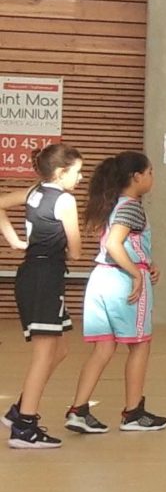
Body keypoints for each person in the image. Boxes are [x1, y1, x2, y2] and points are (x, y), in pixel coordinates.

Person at [68, 151, 166, 433]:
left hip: (100, 279)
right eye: (150, 172)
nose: (152, 177)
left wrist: (148, 262)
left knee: (103, 347)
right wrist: (136, 272)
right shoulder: (132, 206)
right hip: (122, 281)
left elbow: (123, 245)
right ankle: (133, 413)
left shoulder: (111, 204)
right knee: (140, 345)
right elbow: (114, 244)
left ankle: (78, 410)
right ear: (136, 177)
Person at [1, 144, 84, 449]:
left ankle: (20, 409)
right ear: (61, 172)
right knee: (43, 354)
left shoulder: (35, 191)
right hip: (44, 278)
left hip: (35, 275)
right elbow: (76, 251)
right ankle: (25, 427)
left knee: (59, 350)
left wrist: (15, 241)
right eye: (77, 172)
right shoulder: (65, 200)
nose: (81, 177)